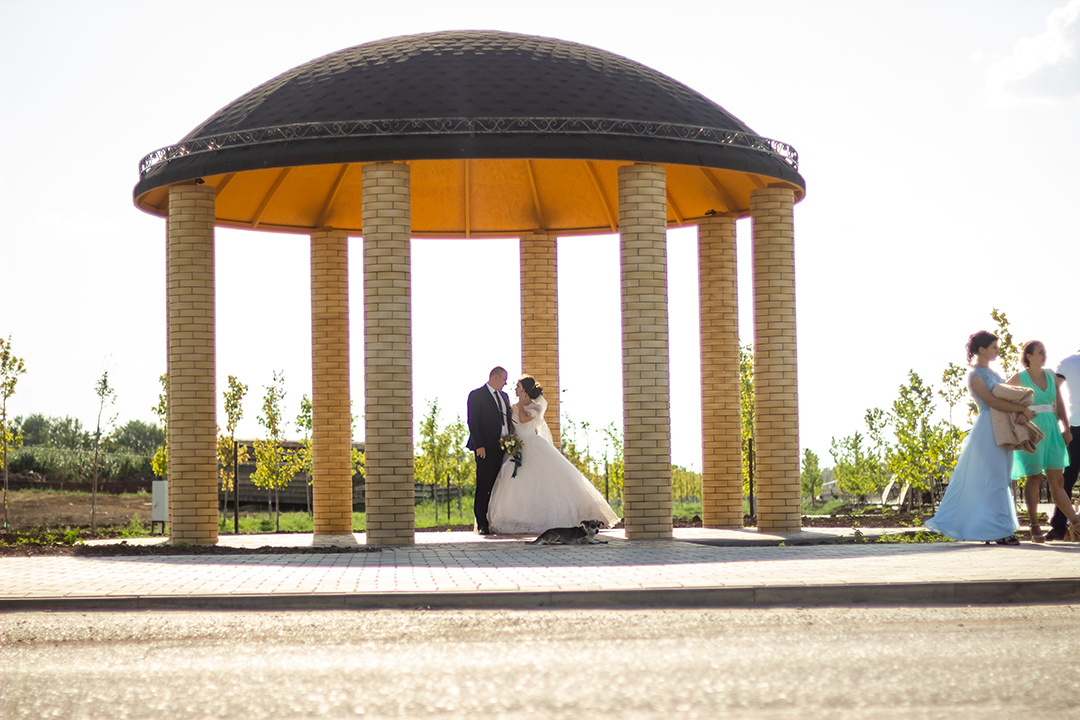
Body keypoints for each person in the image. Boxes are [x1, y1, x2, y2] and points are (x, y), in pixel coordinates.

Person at [925, 331, 1036, 545]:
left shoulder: (994, 374)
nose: (997, 350)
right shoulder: (975, 376)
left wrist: (1020, 410)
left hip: (1002, 426)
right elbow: (991, 402)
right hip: (988, 428)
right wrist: (1021, 409)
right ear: (982, 350)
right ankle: (1003, 532)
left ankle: (995, 529)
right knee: (993, 479)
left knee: (1001, 479)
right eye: (994, 347)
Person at [487, 375, 619, 534]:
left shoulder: (536, 407)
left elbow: (523, 419)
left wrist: (521, 403)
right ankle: (518, 519)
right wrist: (510, 442)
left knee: (542, 482)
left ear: (525, 391)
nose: (515, 389)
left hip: (534, 446)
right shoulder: (511, 407)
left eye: (518, 387)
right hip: (517, 447)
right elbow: (512, 426)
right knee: (514, 480)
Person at [1007, 341, 1076, 542]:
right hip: (1032, 431)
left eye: (1044, 352)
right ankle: (1034, 525)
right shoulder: (1019, 378)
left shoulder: (1050, 374)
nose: (1043, 355)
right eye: (1039, 352)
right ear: (1028, 356)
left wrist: (1067, 428)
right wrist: (1020, 412)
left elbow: (1059, 403)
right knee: (1034, 477)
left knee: (1058, 480)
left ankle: (1076, 523)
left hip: (1053, 431)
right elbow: (1002, 397)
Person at [466, 366, 513, 535]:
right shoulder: (476, 395)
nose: (506, 383)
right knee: (484, 484)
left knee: (498, 485)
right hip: (485, 448)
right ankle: (482, 523)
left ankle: (493, 519)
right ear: (495, 377)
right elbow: (472, 422)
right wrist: (479, 445)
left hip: (504, 446)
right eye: (504, 379)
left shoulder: (504, 396)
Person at [1047, 347, 1080, 541]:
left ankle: (1058, 527)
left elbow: (1053, 391)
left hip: (1076, 426)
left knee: (1067, 478)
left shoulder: (1066, 362)